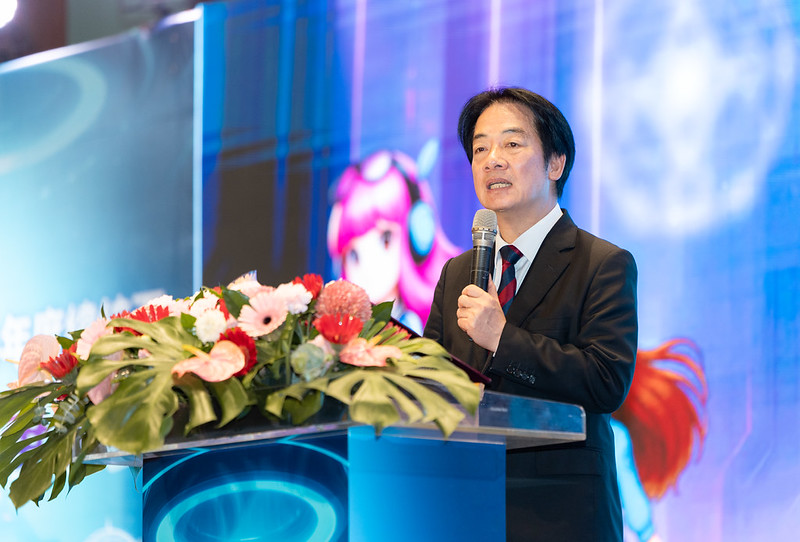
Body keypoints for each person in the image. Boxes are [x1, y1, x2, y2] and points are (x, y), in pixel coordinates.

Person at [424, 87, 638, 541]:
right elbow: (432, 382)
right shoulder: (457, 271)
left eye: (512, 144)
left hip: (560, 514)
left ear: (555, 163)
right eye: (480, 149)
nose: (492, 160)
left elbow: (606, 382)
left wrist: (503, 339)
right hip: (462, 510)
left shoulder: (601, 263)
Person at [327, 149, 460, 333]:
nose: (367, 266)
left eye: (385, 239)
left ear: (417, 237)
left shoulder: (421, 327)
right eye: (353, 255)